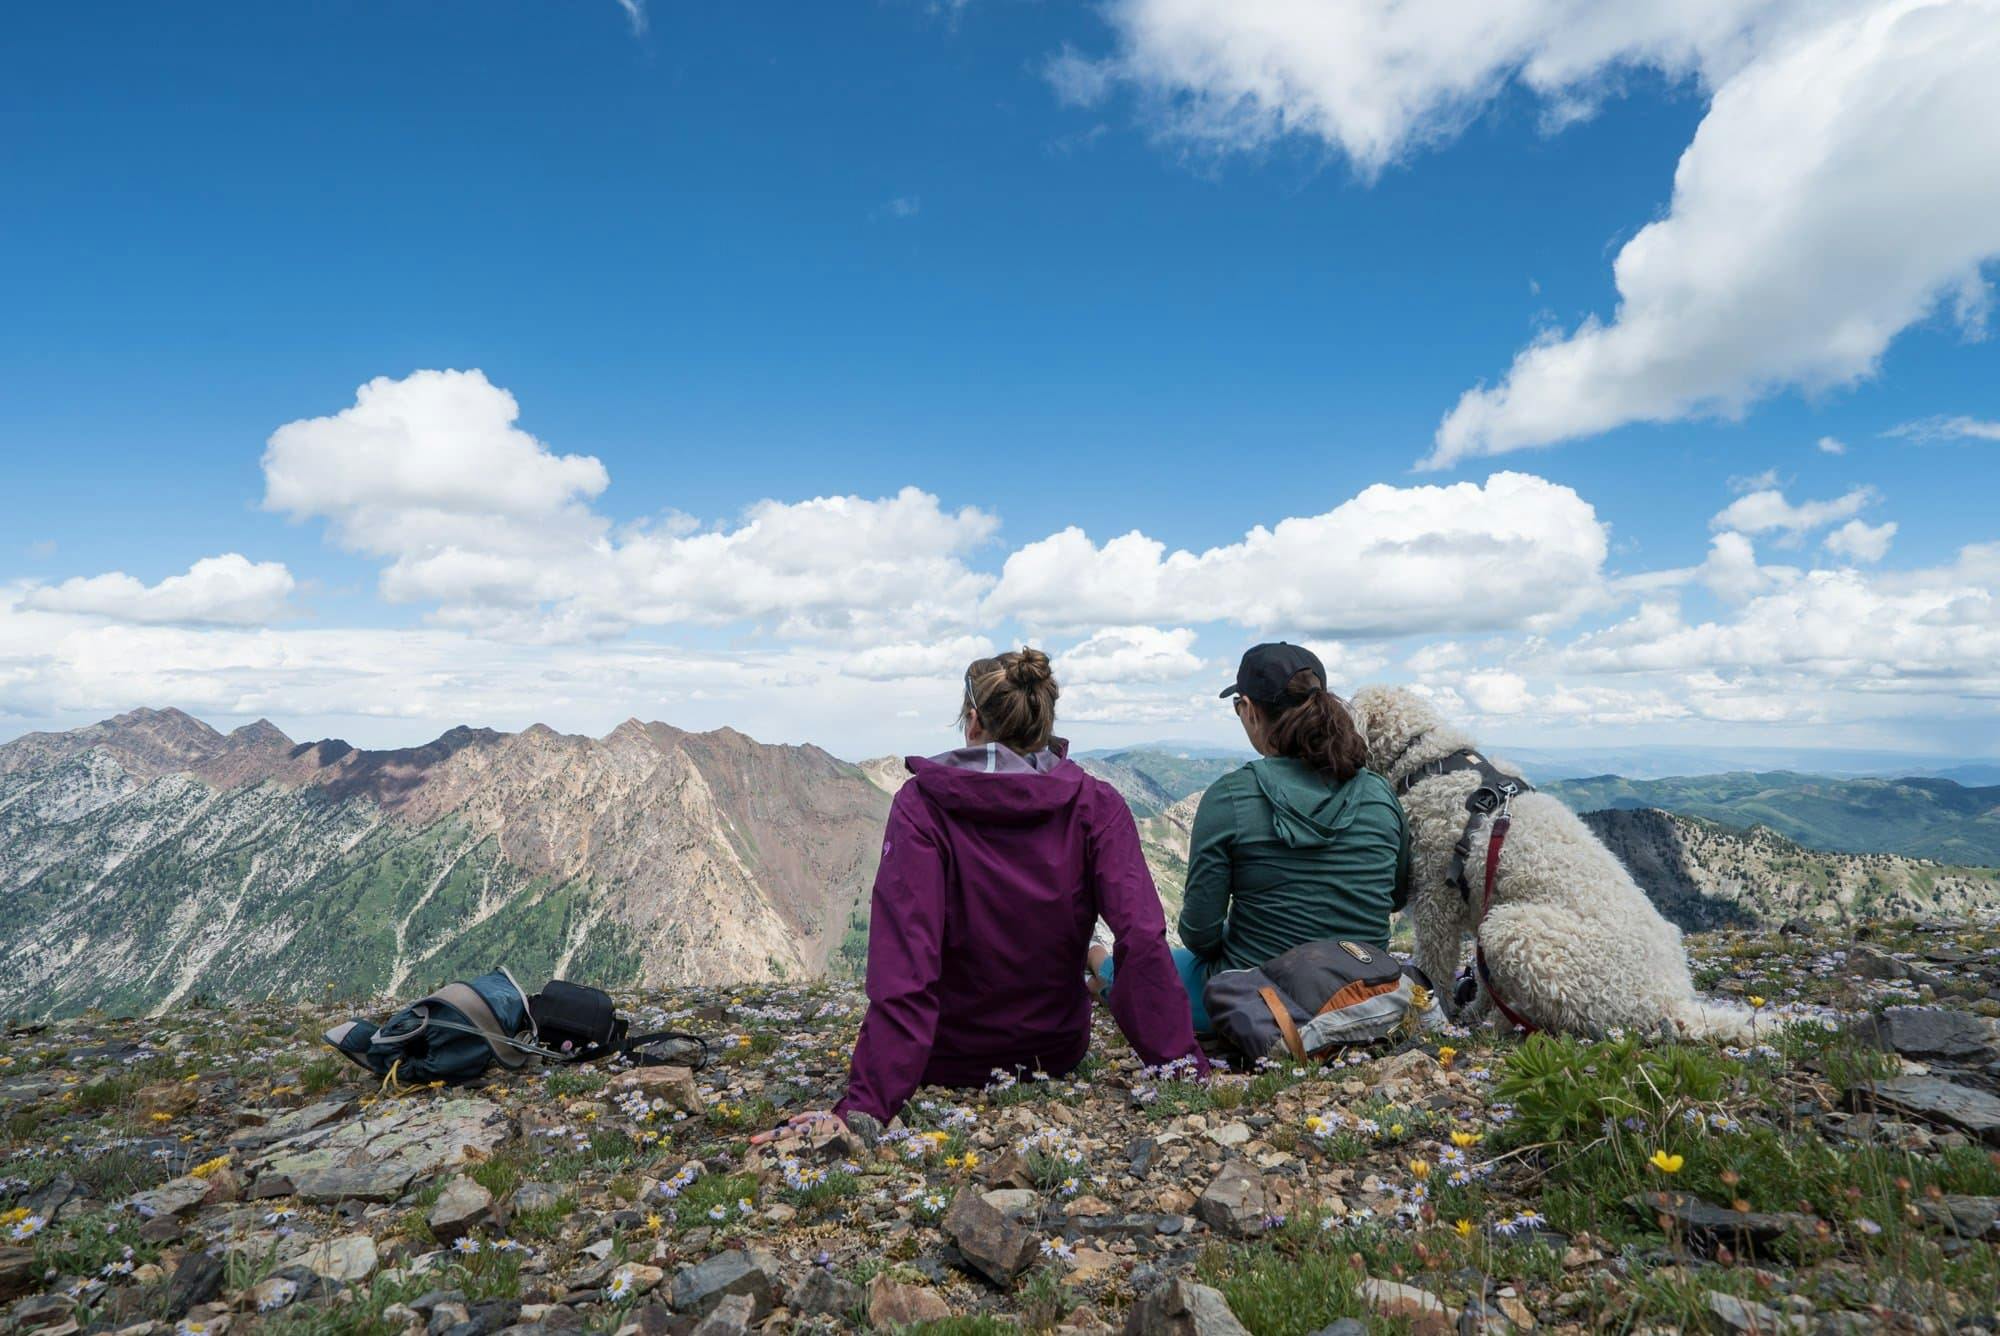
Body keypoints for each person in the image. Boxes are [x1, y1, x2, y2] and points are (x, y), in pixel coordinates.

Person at [762, 648, 1205, 1139]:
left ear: (972, 722)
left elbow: (906, 966)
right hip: (1054, 1052)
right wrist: (1182, 1067)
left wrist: (866, 1105)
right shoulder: (1096, 805)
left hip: (947, 1057)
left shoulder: (922, 808)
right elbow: (1141, 938)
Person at [1091, 642, 1409, 1031]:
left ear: (1249, 708)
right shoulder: (1379, 792)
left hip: (1257, 999)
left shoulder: (1231, 796)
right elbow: (1395, 896)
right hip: (1365, 993)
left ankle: (1096, 965)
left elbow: (1198, 934)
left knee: (1136, 965)